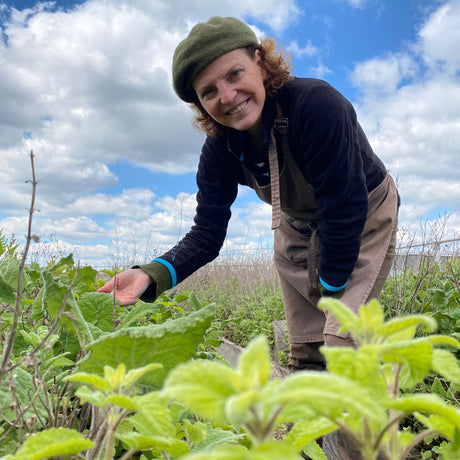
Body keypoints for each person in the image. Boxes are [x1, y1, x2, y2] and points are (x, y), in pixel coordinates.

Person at [99, 14, 398, 393]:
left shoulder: (316, 105)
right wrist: (149, 274)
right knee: (307, 352)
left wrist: (328, 288)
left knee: (342, 341)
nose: (226, 97)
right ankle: (315, 448)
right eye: (208, 92)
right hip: (295, 226)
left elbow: (344, 205)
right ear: (199, 103)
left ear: (260, 61)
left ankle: (367, 447)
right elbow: (207, 234)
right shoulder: (219, 150)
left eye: (234, 74)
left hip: (363, 212)